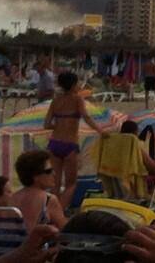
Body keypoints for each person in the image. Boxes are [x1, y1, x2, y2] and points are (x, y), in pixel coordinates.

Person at [44, 71, 105, 208]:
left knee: (56, 183)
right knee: (71, 184)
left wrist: (59, 125)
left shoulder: (55, 100)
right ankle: (59, 211)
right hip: (70, 144)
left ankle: (50, 212)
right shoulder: (77, 99)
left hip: (54, 144)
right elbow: (87, 117)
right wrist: (101, 131)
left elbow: (46, 124)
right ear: (73, 85)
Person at [12, 149, 67, 231]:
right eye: (48, 171)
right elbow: (65, 230)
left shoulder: (12, 198)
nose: (54, 174)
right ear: (35, 176)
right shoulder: (48, 200)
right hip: (36, 243)